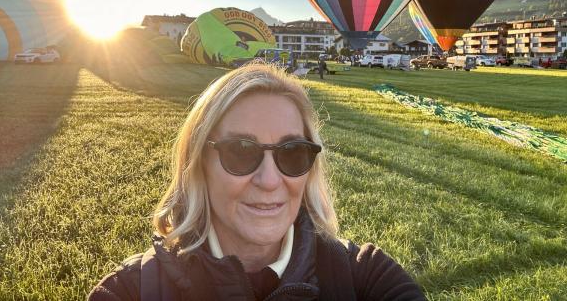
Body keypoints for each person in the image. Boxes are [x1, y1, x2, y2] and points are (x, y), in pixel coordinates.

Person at [88, 64, 426, 300]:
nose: (269, 180)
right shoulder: (131, 291)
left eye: (293, 153)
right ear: (197, 164)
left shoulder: (364, 274)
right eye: (240, 151)